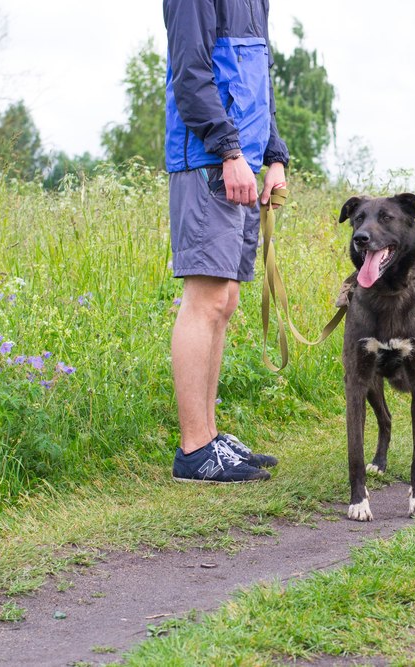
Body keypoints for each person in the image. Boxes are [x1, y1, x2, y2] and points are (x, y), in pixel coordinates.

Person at [163, 0, 288, 482]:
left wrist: (273, 156)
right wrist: (229, 149)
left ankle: (210, 438)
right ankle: (194, 448)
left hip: (244, 161)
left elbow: (259, 84)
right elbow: (190, 73)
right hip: (208, 158)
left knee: (227, 298)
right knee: (207, 297)